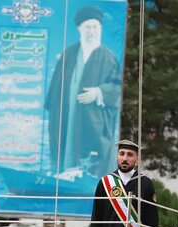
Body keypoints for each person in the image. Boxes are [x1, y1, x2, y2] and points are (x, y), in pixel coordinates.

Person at [45, 5, 122, 176]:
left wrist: (98, 93)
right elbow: (54, 93)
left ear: (100, 28)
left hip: (92, 121)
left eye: (95, 27)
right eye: (88, 27)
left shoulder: (108, 57)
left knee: (88, 164)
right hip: (66, 117)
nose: (91, 31)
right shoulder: (68, 54)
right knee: (64, 153)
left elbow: (117, 89)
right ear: (80, 28)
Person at [89, 139, 159, 227]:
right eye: (122, 154)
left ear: (137, 159)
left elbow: (152, 218)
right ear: (117, 157)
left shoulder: (145, 183)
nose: (125, 158)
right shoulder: (105, 182)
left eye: (130, 155)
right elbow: (96, 216)